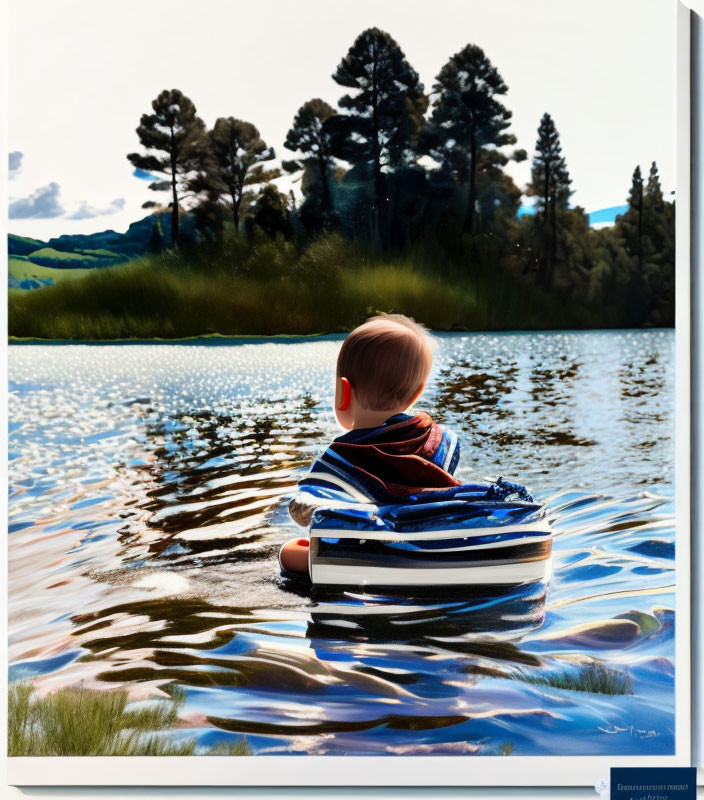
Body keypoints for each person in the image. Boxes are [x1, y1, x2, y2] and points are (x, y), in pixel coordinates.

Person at [279, 313, 461, 576]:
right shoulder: (439, 441)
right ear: (416, 393)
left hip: (366, 557)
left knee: (289, 552)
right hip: (429, 546)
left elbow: (307, 513)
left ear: (343, 392)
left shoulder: (341, 458)